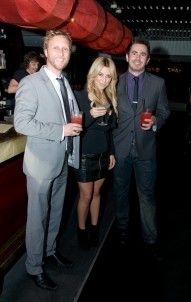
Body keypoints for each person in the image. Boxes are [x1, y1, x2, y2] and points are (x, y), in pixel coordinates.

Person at [14, 29, 83, 290]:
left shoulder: (64, 81)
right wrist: (60, 131)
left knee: (55, 212)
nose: (61, 53)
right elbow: (21, 123)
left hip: (62, 158)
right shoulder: (31, 82)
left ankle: (50, 251)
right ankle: (33, 266)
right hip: (41, 163)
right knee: (38, 217)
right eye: (56, 48)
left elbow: (70, 114)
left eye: (65, 49)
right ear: (45, 52)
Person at [112, 36, 170, 260]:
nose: (137, 57)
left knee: (146, 196)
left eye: (142, 54)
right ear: (127, 57)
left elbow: (165, 111)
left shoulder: (159, 83)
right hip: (120, 149)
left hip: (146, 150)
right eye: (134, 53)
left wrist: (156, 121)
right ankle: (123, 230)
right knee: (120, 193)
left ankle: (150, 240)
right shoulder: (113, 81)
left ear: (147, 60)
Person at [73, 57, 118, 250]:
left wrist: (112, 153)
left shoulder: (110, 98)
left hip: (102, 154)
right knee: (86, 196)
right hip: (84, 153)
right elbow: (75, 128)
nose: (104, 79)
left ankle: (94, 228)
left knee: (97, 193)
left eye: (109, 76)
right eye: (101, 74)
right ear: (93, 74)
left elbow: (110, 131)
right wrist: (90, 116)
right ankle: (81, 230)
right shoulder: (81, 96)